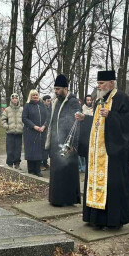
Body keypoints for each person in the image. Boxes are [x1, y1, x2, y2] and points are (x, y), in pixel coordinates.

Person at [76, 70, 129, 229]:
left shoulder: (122, 98)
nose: (99, 86)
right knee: (94, 183)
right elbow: (97, 125)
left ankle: (112, 220)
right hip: (97, 154)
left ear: (111, 83)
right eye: (98, 84)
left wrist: (111, 115)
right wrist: (85, 119)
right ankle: (94, 218)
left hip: (113, 153)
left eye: (101, 83)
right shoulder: (99, 100)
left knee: (112, 187)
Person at [45, 74, 81, 206]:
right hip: (56, 140)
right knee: (56, 172)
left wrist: (72, 144)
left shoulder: (72, 101)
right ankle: (56, 199)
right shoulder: (56, 101)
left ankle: (67, 199)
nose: (56, 91)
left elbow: (76, 123)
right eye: (55, 89)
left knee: (66, 171)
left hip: (67, 142)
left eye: (58, 89)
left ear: (65, 89)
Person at [22, 90, 49, 177]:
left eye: (36, 95)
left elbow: (48, 117)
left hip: (42, 132)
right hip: (31, 132)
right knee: (31, 151)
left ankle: (37, 170)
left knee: (39, 152)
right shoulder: (27, 105)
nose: (35, 96)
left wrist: (44, 126)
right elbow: (24, 118)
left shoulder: (42, 105)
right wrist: (34, 126)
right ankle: (31, 170)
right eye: (33, 95)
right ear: (30, 96)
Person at [1, 93, 23, 169]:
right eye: (13, 98)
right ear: (11, 99)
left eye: (16, 98)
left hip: (19, 133)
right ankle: (10, 164)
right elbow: (3, 119)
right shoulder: (7, 110)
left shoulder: (22, 109)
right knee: (10, 149)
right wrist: (6, 126)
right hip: (10, 133)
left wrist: (22, 126)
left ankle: (17, 163)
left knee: (18, 149)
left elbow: (25, 119)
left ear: (18, 99)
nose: (15, 100)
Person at [79, 95, 94, 173]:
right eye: (87, 100)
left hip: (92, 131)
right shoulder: (82, 109)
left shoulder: (94, 109)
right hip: (84, 132)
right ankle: (83, 166)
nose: (89, 101)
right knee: (84, 151)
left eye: (90, 100)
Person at [41, 95, 52, 170]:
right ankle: (41, 163)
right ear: (44, 101)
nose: (49, 102)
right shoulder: (41, 108)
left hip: (49, 129)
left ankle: (45, 162)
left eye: (50, 101)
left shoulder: (51, 108)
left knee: (47, 147)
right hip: (43, 129)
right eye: (48, 101)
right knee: (43, 147)